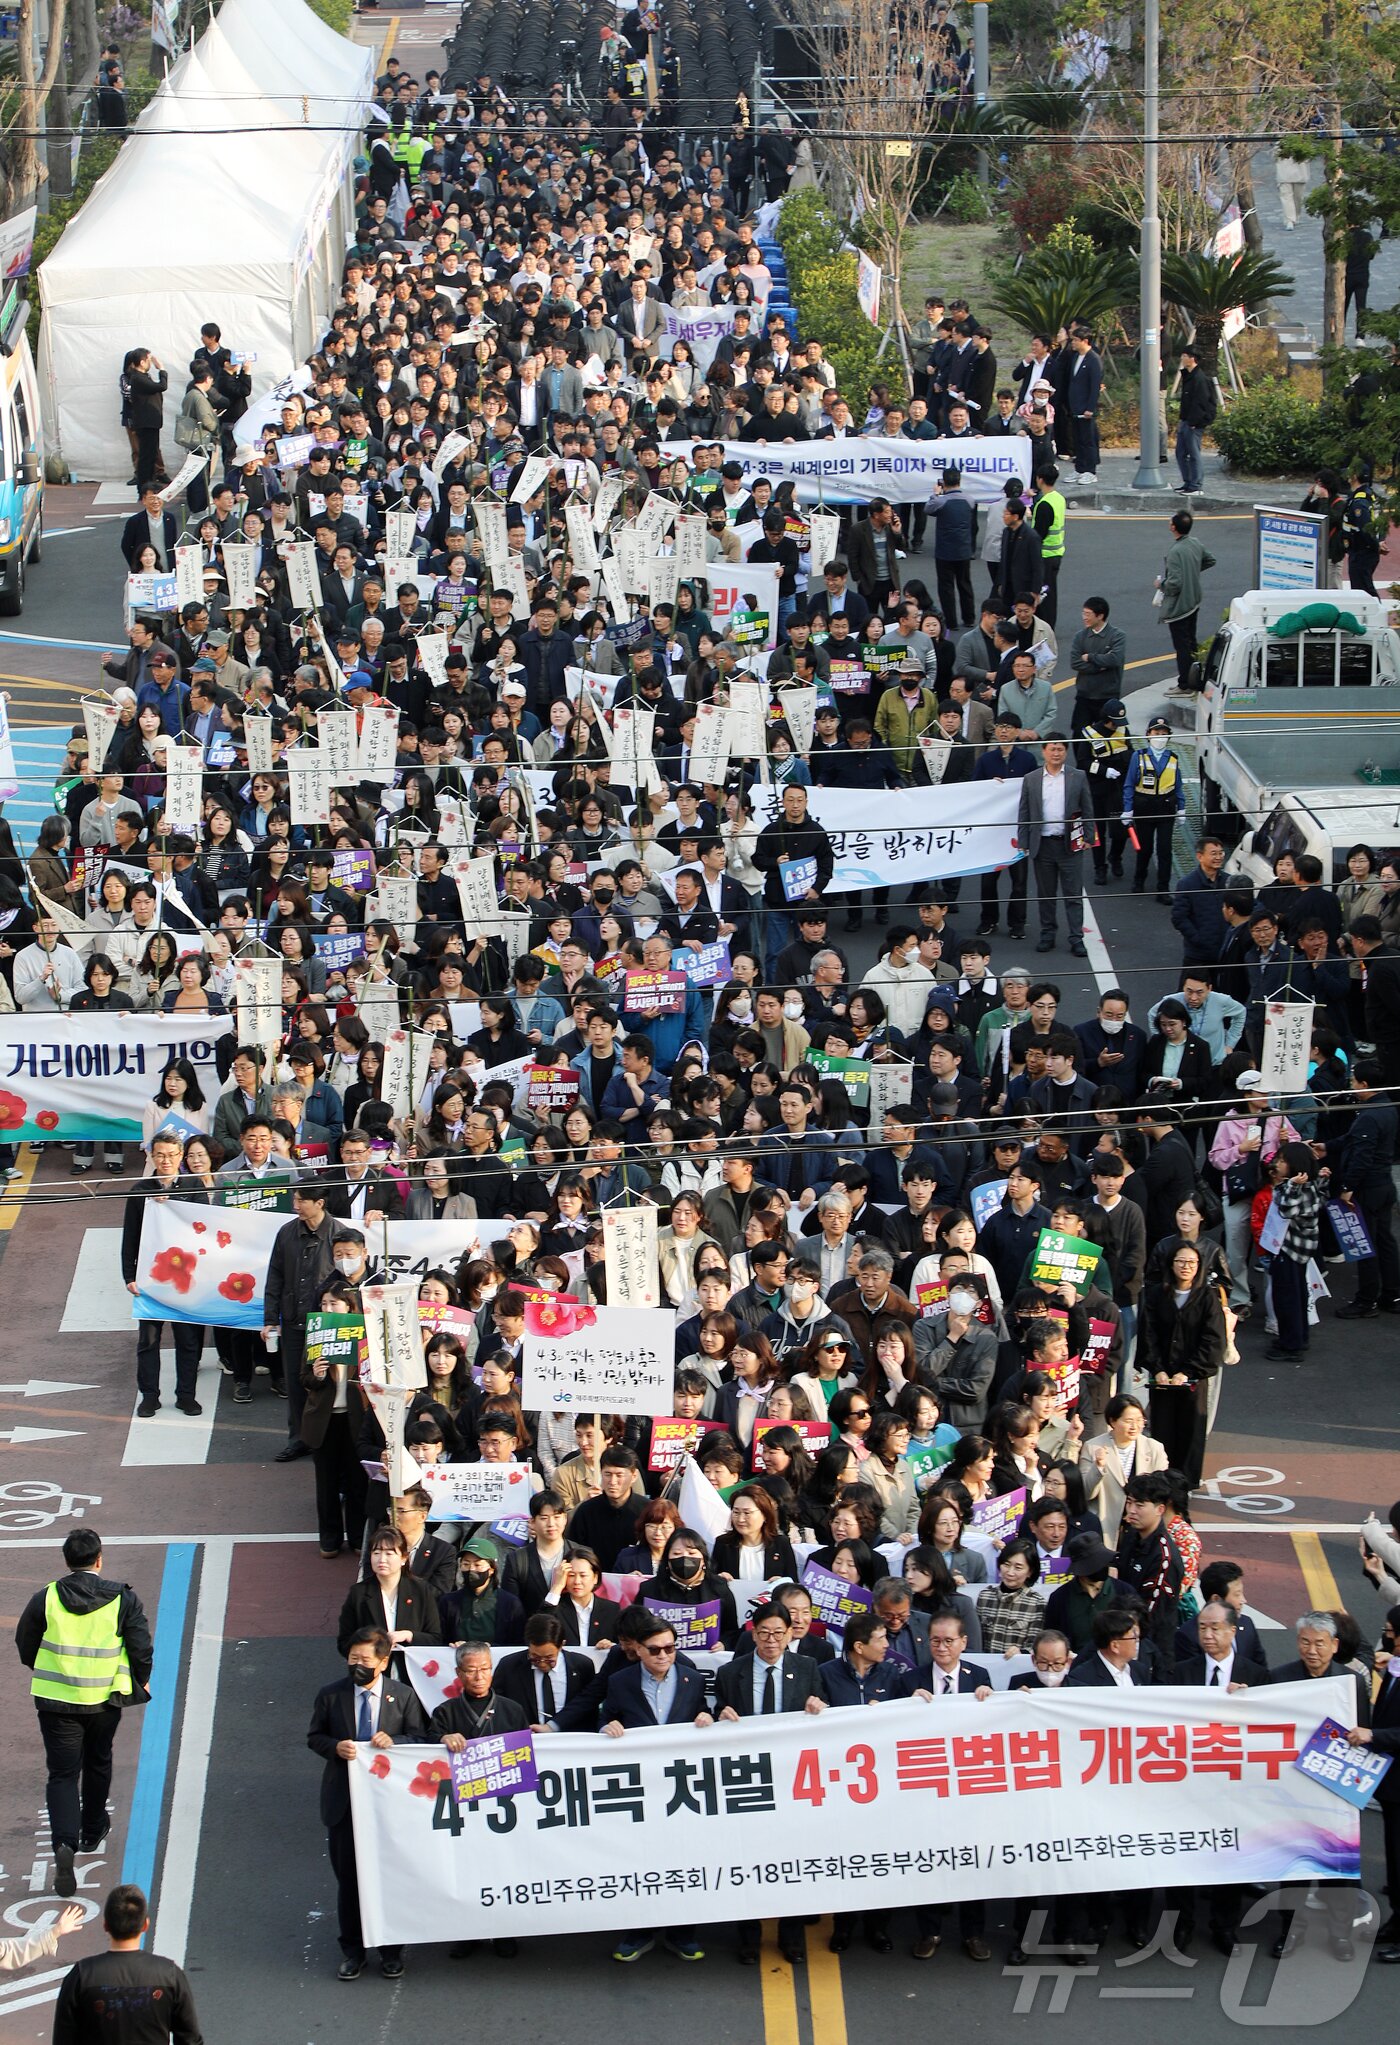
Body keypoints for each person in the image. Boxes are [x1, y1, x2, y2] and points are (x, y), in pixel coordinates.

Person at [15, 1528, 153, 1899]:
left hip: (56, 1700)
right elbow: (140, 1646)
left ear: (66, 1561)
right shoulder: (122, 1598)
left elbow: (25, 1642)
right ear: (99, 1559)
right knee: (98, 1760)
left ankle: (64, 1843)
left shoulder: (46, 1597)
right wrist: (142, 1680)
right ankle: (92, 1829)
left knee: (61, 1774)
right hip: (104, 1700)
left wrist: (46, 1668)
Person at [306, 1626, 427, 1981]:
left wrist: (397, 1740)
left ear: (384, 1661)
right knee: (349, 1881)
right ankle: (353, 1951)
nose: (357, 1664)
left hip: (389, 1805)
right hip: (344, 1803)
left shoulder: (403, 1696)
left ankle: (392, 1951)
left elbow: (421, 1738)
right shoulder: (330, 1695)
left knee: (390, 1877)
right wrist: (335, 1748)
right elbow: (315, 1737)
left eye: (365, 1659)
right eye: (353, 1658)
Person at [714, 1600, 826, 1965]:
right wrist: (720, 1714)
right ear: (753, 1633)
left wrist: (818, 1704)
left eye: (779, 1633)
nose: (772, 1640)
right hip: (749, 1779)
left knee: (791, 1858)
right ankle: (749, 1937)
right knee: (747, 1857)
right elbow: (717, 1715)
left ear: (791, 1633)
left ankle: (791, 1935)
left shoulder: (808, 1668)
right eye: (764, 1633)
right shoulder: (732, 1673)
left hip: (794, 1777)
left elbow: (826, 1711)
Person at [602, 1615, 712, 1965]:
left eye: (670, 1648)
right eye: (655, 1650)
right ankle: (638, 1931)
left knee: (683, 1857)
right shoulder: (620, 1681)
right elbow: (603, 1717)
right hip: (639, 1787)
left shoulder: (692, 1678)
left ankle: (683, 1933)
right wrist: (608, 1724)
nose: (664, 1655)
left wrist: (706, 1720)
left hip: (681, 1787)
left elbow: (702, 1714)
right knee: (639, 1859)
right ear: (638, 1650)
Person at [121, 1132, 208, 1417]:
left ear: (181, 1156)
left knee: (188, 1340)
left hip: (186, 1278)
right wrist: (128, 1276)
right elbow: (130, 1237)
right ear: (151, 1157)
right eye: (160, 1155)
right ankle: (149, 1395)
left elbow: (203, 1230)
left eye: (171, 1155)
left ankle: (186, 1395)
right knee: (148, 1340)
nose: (166, 1160)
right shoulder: (139, 1191)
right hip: (150, 1278)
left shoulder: (194, 1186)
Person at [52, 1884, 200, 2044]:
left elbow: (63, 2038)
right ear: (145, 1925)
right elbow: (190, 2039)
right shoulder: (169, 1974)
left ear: (105, 1925)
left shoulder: (82, 1975)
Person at [1018, 733, 1092, 958]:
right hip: (1043, 844)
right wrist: (1023, 841)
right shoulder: (1031, 778)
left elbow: (1088, 808)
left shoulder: (1077, 776)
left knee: (1073, 895)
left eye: (1060, 749)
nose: (1056, 753)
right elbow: (1024, 813)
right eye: (1052, 749)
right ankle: (1047, 934)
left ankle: (1076, 938)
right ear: (1043, 752)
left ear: (1066, 752)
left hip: (1069, 844)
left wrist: (1089, 836)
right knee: (1046, 894)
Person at [1121, 715, 1186, 902]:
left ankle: (1163, 889)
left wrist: (1181, 809)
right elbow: (1129, 784)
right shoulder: (1138, 756)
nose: (1160, 736)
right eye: (1157, 733)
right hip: (1144, 808)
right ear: (1148, 735)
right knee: (1144, 848)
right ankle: (1138, 880)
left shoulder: (1173, 759)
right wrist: (1128, 809)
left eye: (1164, 733)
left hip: (1166, 808)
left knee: (1164, 850)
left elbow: (1178, 785)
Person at [1155, 510, 1216, 691]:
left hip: (1180, 606)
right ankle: (1196, 677)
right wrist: (1193, 571)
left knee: (1182, 647)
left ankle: (1185, 683)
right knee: (1191, 642)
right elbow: (1210, 560)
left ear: (1173, 527)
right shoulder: (1195, 543)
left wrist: (1161, 584)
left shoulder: (1175, 551)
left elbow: (1174, 584)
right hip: (1194, 601)